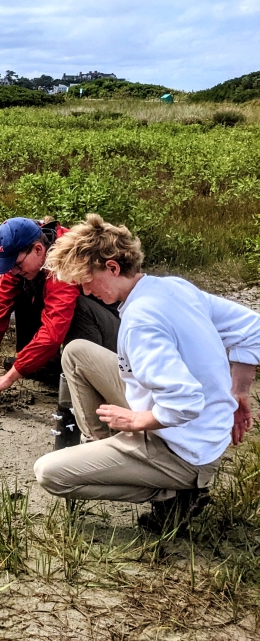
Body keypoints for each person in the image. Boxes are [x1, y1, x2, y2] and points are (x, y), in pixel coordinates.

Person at [34, 215, 260, 530]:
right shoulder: (171, 287)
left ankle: (175, 495)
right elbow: (253, 329)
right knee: (76, 353)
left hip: (183, 451)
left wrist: (139, 421)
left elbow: (186, 401)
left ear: (112, 267)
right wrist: (239, 393)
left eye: (86, 279)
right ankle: (105, 450)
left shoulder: (141, 321)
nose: (85, 290)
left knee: (50, 474)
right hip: (199, 427)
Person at [0, 217, 120, 403]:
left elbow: (53, 330)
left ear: (38, 249)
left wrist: (9, 378)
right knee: (24, 285)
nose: (13, 271)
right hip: (85, 315)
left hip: (112, 330)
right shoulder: (25, 257)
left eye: (15, 265)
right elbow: (0, 304)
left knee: (77, 306)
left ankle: (85, 378)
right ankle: (45, 365)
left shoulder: (66, 261)